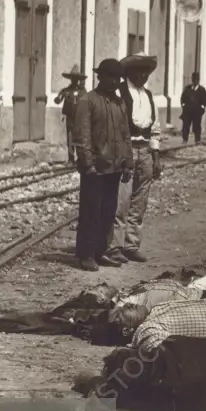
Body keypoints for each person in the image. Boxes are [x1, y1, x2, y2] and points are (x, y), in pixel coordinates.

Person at [73, 58, 133, 272]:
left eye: (118, 78)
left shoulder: (120, 103)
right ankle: (85, 254)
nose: (115, 82)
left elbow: (126, 136)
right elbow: (82, 135)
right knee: (91, 212)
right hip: (95, 168)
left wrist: (128, 163)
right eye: (111, 77)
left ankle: (100, 251)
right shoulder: (87, 100)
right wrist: (87, 164)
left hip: (114, 168)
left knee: (108, 212)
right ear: (100, 77)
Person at [106, 52, 161, 264]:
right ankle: (115, 247)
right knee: (122, 201)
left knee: (140, 201)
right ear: (130, 72)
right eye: (140, 70)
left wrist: (155, 156)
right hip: (125, 150)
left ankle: (131, 245)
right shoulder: (119, 94)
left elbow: (155, 129)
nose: (144, 75)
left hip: (145, 151)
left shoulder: (148, 96)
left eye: (146, 71)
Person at [54, 64, 86, 165]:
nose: (74, 81)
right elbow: (58, 100)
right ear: (70, 79)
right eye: (73, 79)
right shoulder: (66, 91)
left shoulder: (82, 92)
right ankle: (71, 159)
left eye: (76, 79)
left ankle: (81, 159)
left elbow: (87, 104)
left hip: (80, 120)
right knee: (70, 139)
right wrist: (58, 97)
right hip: (70, 119)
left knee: (80, 139)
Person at [180, 72, 206, 144]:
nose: (195, 81)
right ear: (192, 80)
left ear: (198, 80)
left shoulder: (202, 90)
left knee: (197, 125)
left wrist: (202, 107)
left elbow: (205, 100)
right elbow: (183, 98)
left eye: (196, 80)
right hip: (188, 110)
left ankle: (197, 139)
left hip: (197, 111)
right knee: (186, 125)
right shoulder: (188, 88)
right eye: (194, 79)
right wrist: (183, 105)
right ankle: (185, 139)